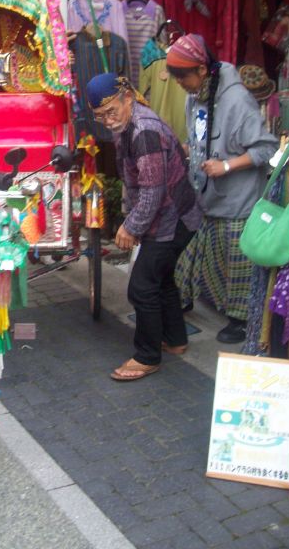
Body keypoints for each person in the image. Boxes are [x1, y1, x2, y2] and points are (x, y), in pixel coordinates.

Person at [86, 73, 202, 381]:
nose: (107, 121)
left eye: (111, 111)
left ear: (127, 98)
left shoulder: (144, 130)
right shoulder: (127, 124)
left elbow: (153, 190)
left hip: (175, 218)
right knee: (161, 280)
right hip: (171, 216)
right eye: (100, 116)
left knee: (141, 287)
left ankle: (147, 355)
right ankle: (175, 340)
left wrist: (131, 226)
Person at [165, 34, 279, 343]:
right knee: (192, 250)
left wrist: (226, 166)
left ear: (202, 70)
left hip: (238, 198)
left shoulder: (237, 99)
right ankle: (184, 297)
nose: (179, 83)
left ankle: (240, 319)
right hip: (205, 193)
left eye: (182, 77)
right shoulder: (196, 96)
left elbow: (266, 149)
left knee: (236, 262)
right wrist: (188, 150)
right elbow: (203, 136)